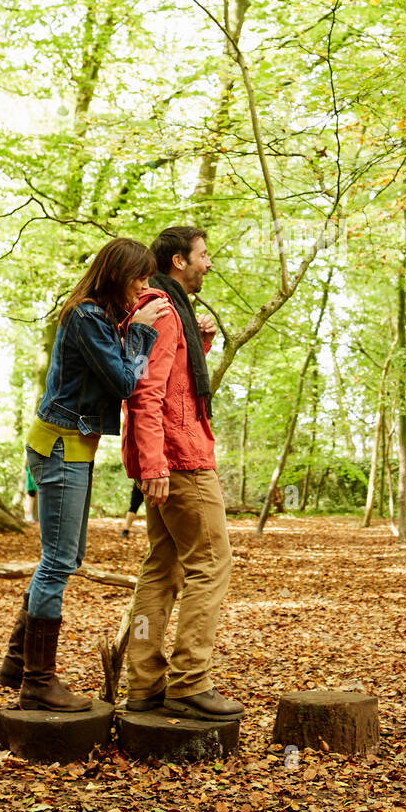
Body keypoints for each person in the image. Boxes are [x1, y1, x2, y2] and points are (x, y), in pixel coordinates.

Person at [0, 238, 170, 711]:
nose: (144, 285)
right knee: (58, 562)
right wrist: (142, 333)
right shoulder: (88, 317)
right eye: (139, 276)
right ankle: (37, 682)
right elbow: (124, 381)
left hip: (70, 447)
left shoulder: (97, 317)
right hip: (60, 448)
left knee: (62, 559)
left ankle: (18, 661)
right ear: (116, 274)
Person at [122, 225, 242, 721]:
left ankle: (145, 683)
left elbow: (168, 381)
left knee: (161, 568)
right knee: (211, 567)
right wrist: (155, 464)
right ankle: (190, 681)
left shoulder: (162, 309)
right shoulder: (165, 311)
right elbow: (145, 393)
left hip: (166, 458)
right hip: (181, 461)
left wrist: (201, 347)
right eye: (203, 255)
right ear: (178, 261)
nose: (208, 263)